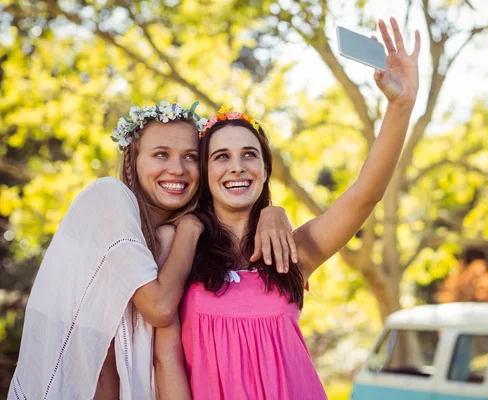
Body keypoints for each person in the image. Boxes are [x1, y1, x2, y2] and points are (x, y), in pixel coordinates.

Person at [154, 17, 420, 399]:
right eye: (221, 156)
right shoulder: (179, 244)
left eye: (250, 155)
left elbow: (365, 194)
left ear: (264, 170)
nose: (236, 167)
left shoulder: (294, 251)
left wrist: (401, 106)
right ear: (204, 170)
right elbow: (166, 360)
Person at [8, 101, 296, 400]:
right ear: (132, 162)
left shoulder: (180, 246)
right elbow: (159, 307)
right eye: (161, 154)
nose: (177, 169)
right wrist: (191, 226)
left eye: (191, 157)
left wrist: (272, 211)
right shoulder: (108, 198)